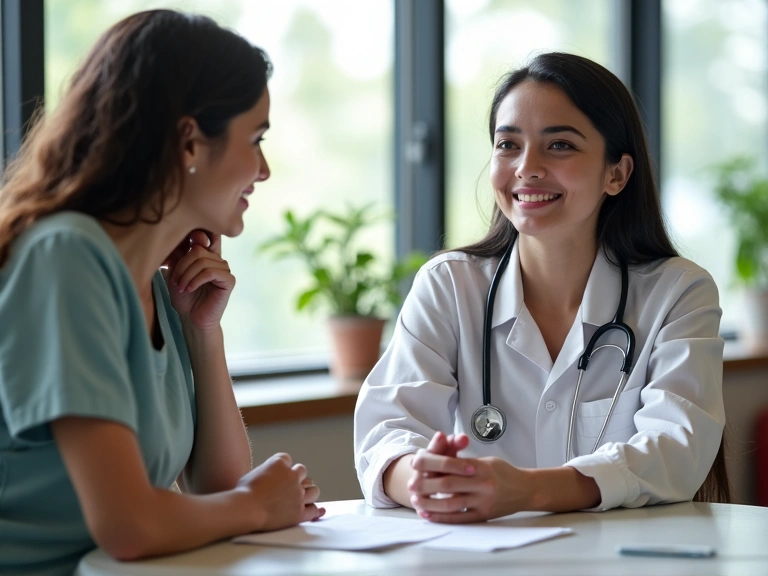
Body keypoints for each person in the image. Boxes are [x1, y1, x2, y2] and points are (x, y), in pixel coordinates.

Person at [0, 10, 323, 575]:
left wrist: (202, 332)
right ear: (190, 142)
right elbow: (130, 526)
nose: (264, 169)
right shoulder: (67, 257)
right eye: (255, 139)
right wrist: (255, 505)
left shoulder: (153, 277)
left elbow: (214, 490)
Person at [354, 52, 728, 524]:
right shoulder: (449, 285)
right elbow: (385, 431)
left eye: (560, 146)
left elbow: (677, 450)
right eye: (508, 144)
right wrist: (423, 477)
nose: (526, 167)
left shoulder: (679, 292)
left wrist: (525, 490)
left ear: (617, 174)